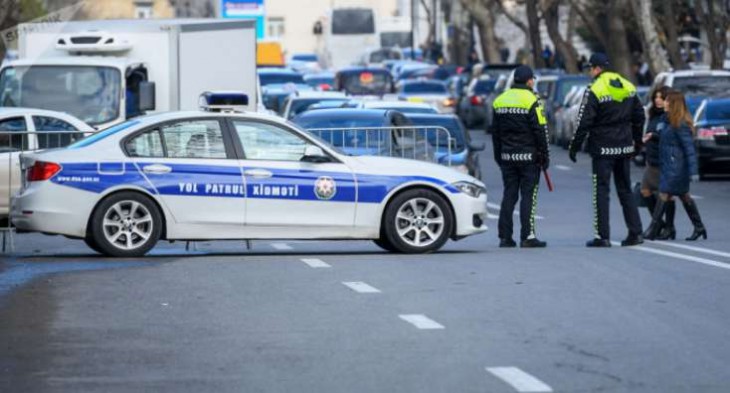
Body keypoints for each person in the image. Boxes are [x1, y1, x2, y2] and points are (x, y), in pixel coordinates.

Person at [568, 53, 646, 247]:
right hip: (624, 145)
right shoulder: (627, 85)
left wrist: (575, 146)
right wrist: (637, 142)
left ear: (596, 69)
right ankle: (635, 233)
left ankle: (602, 236)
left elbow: (584, 121)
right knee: (625, 189)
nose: (589, 72)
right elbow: (639, 116)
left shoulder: (594, 89)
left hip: (602, 148)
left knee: (601, 191)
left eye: (590, 69)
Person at [490, 65, 550, 248]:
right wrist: (544, 155)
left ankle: (505, 237)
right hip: (528, 157)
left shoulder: (499, 100)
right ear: (529, 80)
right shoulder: (533, 100)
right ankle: (528, 236)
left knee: (509, 195)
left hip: (507, 157)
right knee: (528, 196)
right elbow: (540, 130)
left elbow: (495, 133)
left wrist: (499, 156)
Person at [644, 91, 707, 241]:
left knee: (664, 194)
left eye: (667, 101)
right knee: (684, 196)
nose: (664, 103)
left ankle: (653, 229)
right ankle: (699, 227)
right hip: (670, 165)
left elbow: (689, 148)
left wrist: (693, 171)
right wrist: (653, 136)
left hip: (677, 167)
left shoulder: (681, 124)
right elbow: (670, 141)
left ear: (674, 105)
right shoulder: (669, 122)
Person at [640, 86, 674, 239]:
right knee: (645, 190)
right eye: (656, 97)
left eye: (662, 97)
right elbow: (647, 134)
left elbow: (669, 138)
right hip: (652, 160)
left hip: (665, 160)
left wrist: (653, 136)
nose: (658, 100)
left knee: (666, 195)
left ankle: (669, 227)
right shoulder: (653, 115)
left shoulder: (670, 116)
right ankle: (659, 222)